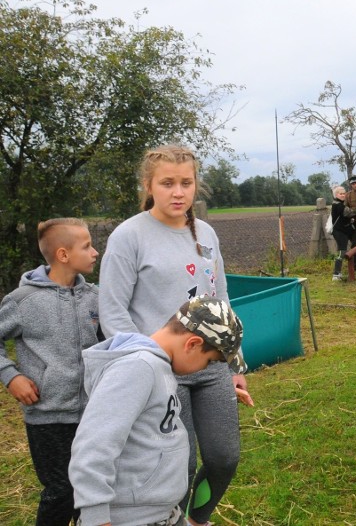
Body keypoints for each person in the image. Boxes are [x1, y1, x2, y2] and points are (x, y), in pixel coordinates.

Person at [98, 145, 252, 526]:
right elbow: (112, 311)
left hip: (211, 367)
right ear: (149, 186)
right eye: (167, 183)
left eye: (186, 182)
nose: (178, 192)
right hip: (161, 372)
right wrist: (143, 366)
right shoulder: (128, 237)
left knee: (223, 457)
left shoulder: (208, 234)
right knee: (177, 466)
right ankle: (170, 521)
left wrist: (234, 361)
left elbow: (221, 299)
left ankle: (197, 520)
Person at [69, 296, 243, 526]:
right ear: (192, 344)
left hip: (161, 515)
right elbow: (93, 448)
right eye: (210, 361)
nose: (205, 369)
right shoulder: (137, 368)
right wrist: (96, 518)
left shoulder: (158, 367)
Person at [0, 218, 100, 526]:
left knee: (94, 490)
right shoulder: (22, 301)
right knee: (62, 491)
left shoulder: (95, 298)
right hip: (48, 417)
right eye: (87, 246)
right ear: (63, 255)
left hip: (93, 414)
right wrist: (10, 375)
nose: (95, 252)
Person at [330, 185, 354, 281]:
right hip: (339, 231)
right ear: (336, 195)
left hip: (343, 230)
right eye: (341, 194)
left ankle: (343, 272)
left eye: (344, 193)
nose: (343, 195)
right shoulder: (338, 205)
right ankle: (336, 274)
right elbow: (349, 213)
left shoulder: (339, 203)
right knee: (342, 251)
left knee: (347, 249)